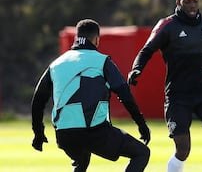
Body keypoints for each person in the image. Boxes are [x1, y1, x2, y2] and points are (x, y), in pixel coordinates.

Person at [128, 0, 202, 172]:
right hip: (178, 95)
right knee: (183, 149)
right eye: (187, 1)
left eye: (195, 1)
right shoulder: (167, 26)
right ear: (179, 1)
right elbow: (146, 51)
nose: (192, 5)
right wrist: (137, 69)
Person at [31, 19, 151, 172]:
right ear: (96, 40)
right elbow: (125, 95)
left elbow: (38, 100)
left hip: (65, 135)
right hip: (95, 132)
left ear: (76, 38)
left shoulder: (56, 64)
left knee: (81, 160)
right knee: (141, 153)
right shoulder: (102, 61)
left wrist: (38, 133)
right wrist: (141, 124)